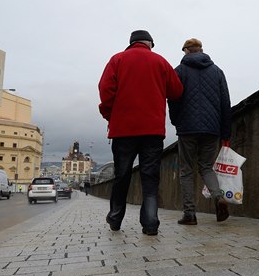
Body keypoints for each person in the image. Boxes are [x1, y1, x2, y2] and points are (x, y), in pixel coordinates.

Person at [98, 30, 183, 236]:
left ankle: (116, 218)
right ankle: (151, 223)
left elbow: (105, 89)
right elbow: (176, 91)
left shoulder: (117, 59)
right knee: (150, 177)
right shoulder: (160, 62)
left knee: (122, 175)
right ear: (150, 44)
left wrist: (110, 114)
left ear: (131, 43)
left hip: (123, 130)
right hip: (152, 131)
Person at [169, 38, 232, 225]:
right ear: (201, 50)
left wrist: (176, 121)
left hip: (187, 128)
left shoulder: (179, 71)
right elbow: (225, 103)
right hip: (212, 129)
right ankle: (218, 197)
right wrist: (225, 132)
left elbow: (172, 99)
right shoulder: (217, 71)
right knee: (206, 167)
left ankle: (189, 214)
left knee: (186, 171)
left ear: (187, 51)